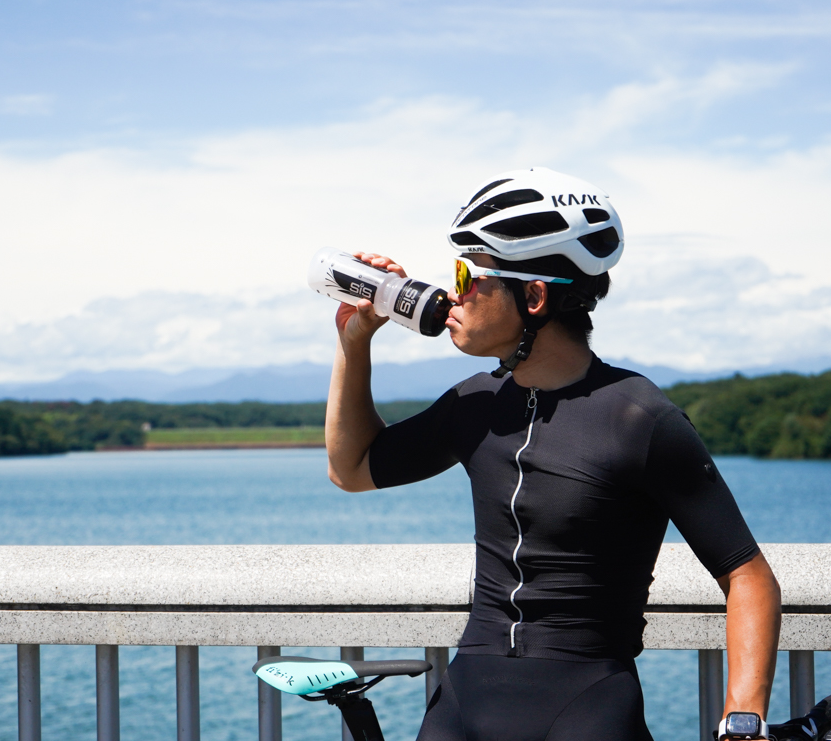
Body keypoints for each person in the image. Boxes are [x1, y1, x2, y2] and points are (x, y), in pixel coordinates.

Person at [324, 167, 782, 741]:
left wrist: (743, 716)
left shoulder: (639, 418)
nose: (451, 292)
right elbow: (352, 468)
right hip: (463, 706)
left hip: (587, 708)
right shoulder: (474, 403)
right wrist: (354, 338)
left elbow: (747, 574)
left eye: (468, 273)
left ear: (534, 295)